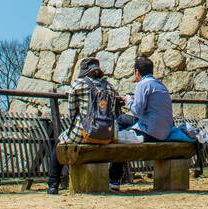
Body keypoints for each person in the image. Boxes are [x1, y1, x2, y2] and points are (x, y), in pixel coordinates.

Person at [47, 56, 122, 195]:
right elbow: (111, 111)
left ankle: (53, 184)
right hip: (107, 135)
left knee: (59, 146)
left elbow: (72, 111)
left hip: (83, 133)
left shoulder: (78, 84)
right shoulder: (110, 87)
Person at [108, 55, 173, 191]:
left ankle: (114, 179)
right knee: (122, 121)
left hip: (151, 131)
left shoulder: (142, 85)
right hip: (165, 131)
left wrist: (128, 100)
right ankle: (117, 175)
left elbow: (137, 111)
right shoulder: (159, 84)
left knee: (119, 138)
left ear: (137, 71)